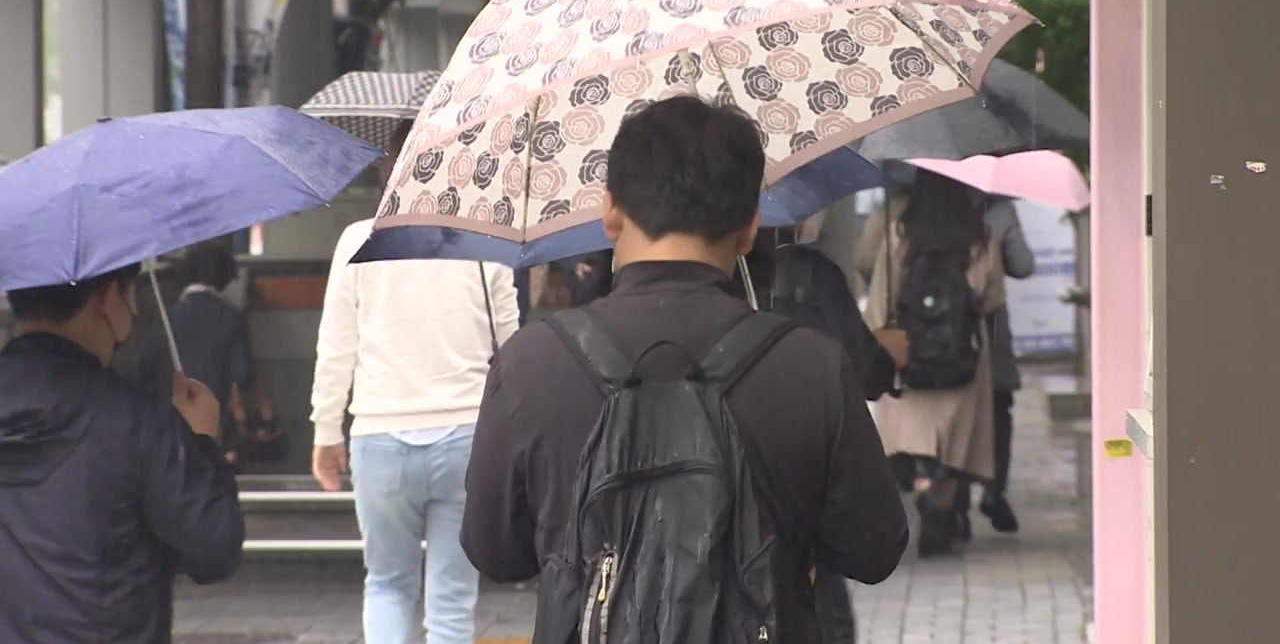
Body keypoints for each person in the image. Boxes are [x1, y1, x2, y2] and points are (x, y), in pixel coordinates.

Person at [461, 96, 908, 642]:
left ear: (610, 211)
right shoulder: (810, 365)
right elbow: (874, 548)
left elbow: (496, 554)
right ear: (749, 228)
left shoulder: (530, 363)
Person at [310, 120, 521, 644]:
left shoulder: (358, 240)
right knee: (452, 602)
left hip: (379, 436)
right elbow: (512, 350)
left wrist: (325, 430)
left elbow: (337, 345)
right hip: (466, 437)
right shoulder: (484, 242)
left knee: (386, 586)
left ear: (391, 172)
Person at [0, 264, 245, 642]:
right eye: (130, 295)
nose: (134, 311)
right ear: (108, 296)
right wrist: (200, 442)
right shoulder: (136, 420)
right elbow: (213, 548)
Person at [740, 215, 910, 644]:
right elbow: (865, 369)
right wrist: (886, 355)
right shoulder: (812, 275)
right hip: (802, 487)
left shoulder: (714, 287)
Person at [864, 170, 1006, 557]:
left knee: (917, 438)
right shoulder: (981, 237)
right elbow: (992, 298)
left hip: (911, 354)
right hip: (962, 357)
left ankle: (922, 484)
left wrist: (882, 336)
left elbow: (880, 299)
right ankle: (939, 505)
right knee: (952, 442)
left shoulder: (900, 234)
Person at [139, 241, 281, 467]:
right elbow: (243, 375)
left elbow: (144, 372)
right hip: (216, 435)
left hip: (169, 434)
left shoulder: (165, 321)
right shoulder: (230, 318)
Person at [953, 195, 1035, 537]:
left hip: (939, 325)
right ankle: (994, 490)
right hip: (990, 322)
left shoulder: (919, 200)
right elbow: (1022, 265)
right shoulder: (998, 208)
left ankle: (953, 502)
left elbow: (869, 261)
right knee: (999, 406)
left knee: (953, 409)